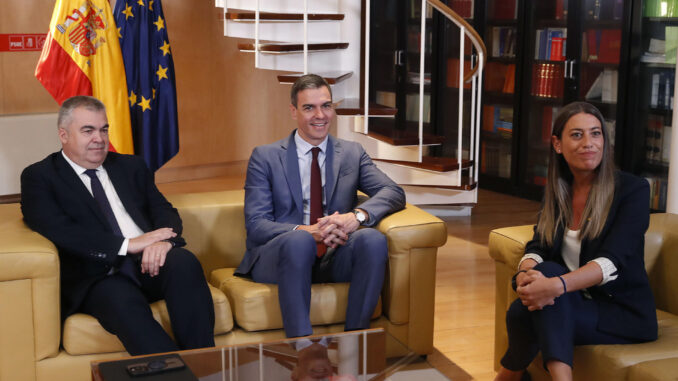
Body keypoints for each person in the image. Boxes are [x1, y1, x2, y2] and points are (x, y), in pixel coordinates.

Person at [21, 95, 215, 356]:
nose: (99, 139)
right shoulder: (40, 177)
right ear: (64, 135)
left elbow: (164, 210)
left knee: (184, 262)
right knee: (122, 301)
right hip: (98, 275)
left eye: (103, 129)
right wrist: (127, 245)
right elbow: (59, 230)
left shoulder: (130, 166)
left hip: (150, 261)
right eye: (88, 130)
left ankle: (206, 363)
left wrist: (163, 242)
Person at [495, 102, 657, 381]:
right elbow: (539, 245)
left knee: (530, 307)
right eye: (577, 135)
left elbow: (610, 262)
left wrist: (555, 286)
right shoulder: (558, 191)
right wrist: (524, 273)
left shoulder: (633, 190)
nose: (589, 143)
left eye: (596, 134)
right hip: (575, 302)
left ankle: (510, 376)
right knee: (539, 286)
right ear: (557, 144)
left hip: (622, 314)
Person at [236, 74, 406, 338]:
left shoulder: (352, 153)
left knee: (372, 240)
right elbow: (256, 226)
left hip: (334, 254)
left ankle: (355, 345)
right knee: (300, 241)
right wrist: (308, 231)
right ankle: (303, 351)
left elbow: (392, 191)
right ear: (293, 111)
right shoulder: (265, 157)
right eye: (309, 107)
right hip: (282, 256)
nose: (320, 115)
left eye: (326, 106)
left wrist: (357, 216)